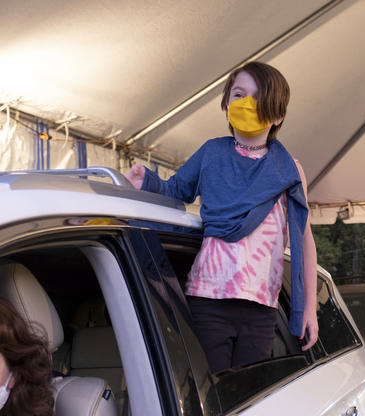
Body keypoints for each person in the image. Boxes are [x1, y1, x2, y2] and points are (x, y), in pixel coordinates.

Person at [125, 61, 318, 373]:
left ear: (278, 114)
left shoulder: (290, 171)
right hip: (207, 298)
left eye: (257, 98)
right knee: (212, 402)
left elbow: (305, 242)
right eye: (239, 94)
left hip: (261, 308)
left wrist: (309, 308)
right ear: (227, 101)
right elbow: (175, 189)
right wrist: (144, 181)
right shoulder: (211, 153)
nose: (245, 104)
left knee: (246, 403)